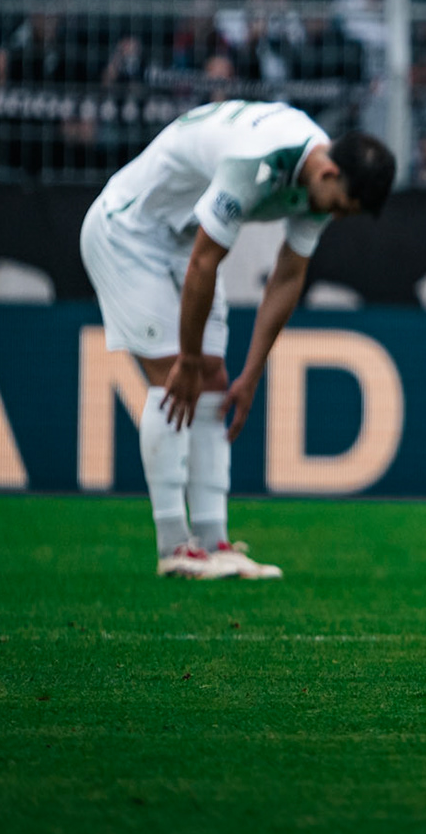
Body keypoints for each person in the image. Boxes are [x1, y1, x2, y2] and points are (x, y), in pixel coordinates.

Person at [78, 103, 394, 579]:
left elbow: (288, 277)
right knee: (174, 377)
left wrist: (252, 373)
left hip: (181, 240)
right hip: (128, 232)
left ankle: (213, 541)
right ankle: (174, 547)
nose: (333, 215)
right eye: (338, 206)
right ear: (328, 171)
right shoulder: (259, 162)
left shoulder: (323, 181)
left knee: (216, 383)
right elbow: (206, 262)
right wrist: (187, 356)